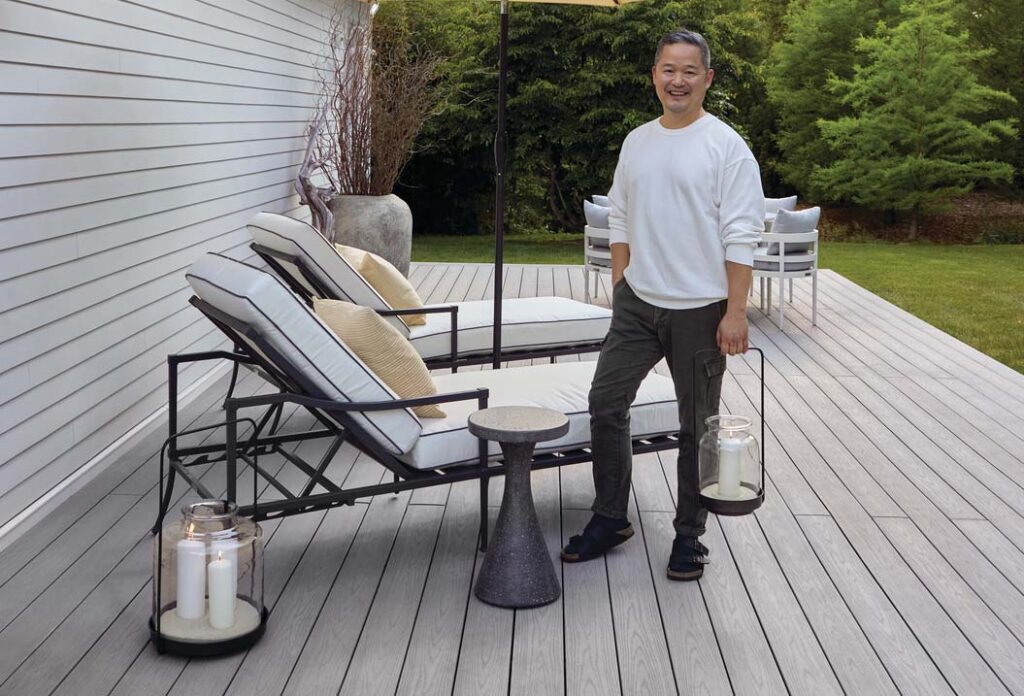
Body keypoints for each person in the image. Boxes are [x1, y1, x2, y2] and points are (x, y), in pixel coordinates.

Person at [561, 29, 764, 580]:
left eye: (689, 71)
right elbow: (620, 215)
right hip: (638, 303)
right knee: (605, 403)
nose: (677, 80)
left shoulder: (726, 147)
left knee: (696, 426)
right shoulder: (637, 141)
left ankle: (688, 536)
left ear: (707, 79)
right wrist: (623, 280)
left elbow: (742, 234)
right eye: (668, 70)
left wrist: (736, 310)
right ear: (654, 75)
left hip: (702, 308)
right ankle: (610, 517)